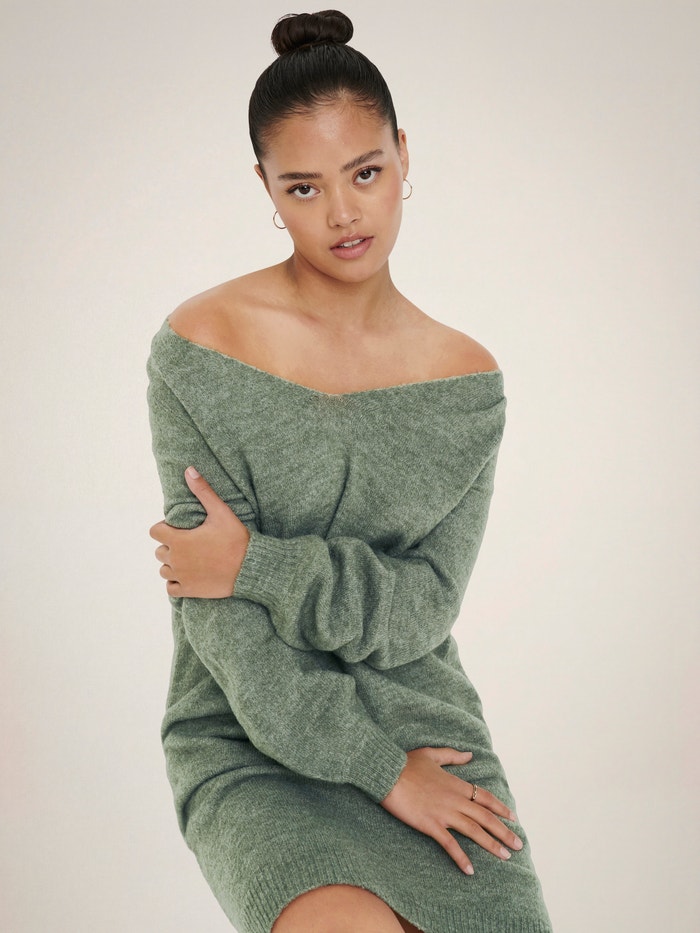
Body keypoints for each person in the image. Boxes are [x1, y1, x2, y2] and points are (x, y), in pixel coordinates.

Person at [147, 10, 552, 933]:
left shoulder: (466, 385)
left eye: (365, 172)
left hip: (427, 732)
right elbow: (218, 616)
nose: (342, 214)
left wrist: (256, 563)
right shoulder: (203, 348)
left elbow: (424, 607)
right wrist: (379, 770)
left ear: (404, 154)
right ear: (266, 187)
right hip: (251, 737)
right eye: (304, 186)